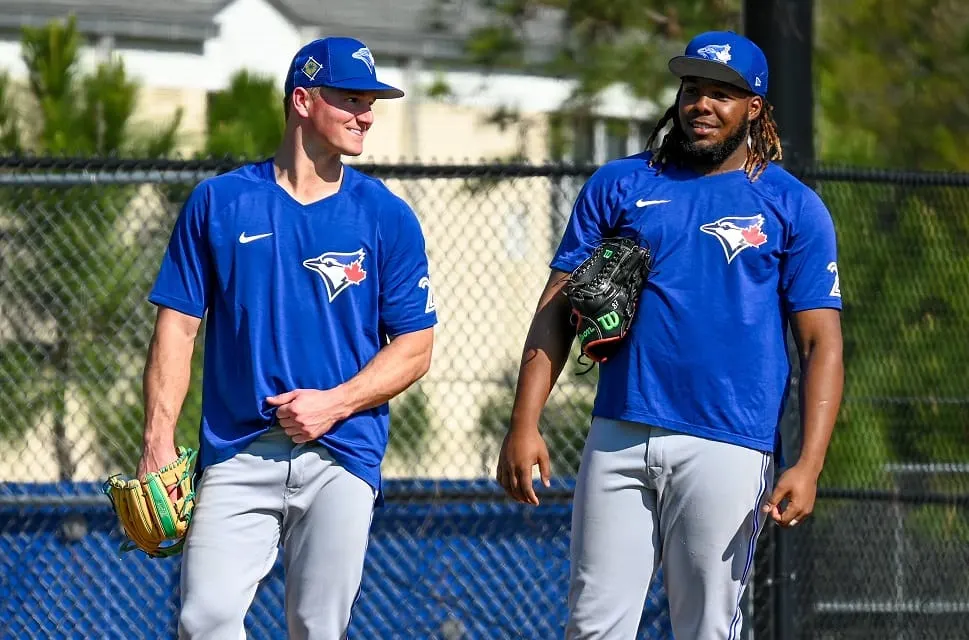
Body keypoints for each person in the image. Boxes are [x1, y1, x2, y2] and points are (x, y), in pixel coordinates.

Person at [496, 30, 844, 639]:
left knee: (706, 627)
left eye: (721, 94)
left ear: (753, 108)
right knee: (593, 625)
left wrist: (810, 464)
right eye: (692, 89)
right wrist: (525, 421)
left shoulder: (793, 206)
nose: (701, 104)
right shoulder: (621, 185)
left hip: (728, 443)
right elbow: (555, 307)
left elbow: (821, 344)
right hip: (619, 430)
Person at [138, 36, 437, 639]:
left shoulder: (386, 215)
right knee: (205, 618)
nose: (366, 114)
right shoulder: (220, 202)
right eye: (350, 98)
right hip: (238, 448)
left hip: (343, 453)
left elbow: (415, 347)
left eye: (371, 101)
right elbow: (178, 326)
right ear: (302, 100)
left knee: (315, 626)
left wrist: (335, 403)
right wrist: (157, 439)